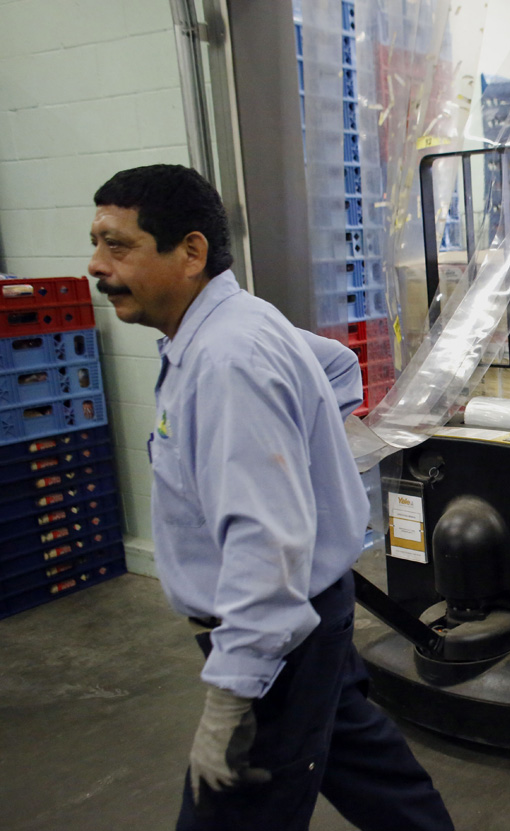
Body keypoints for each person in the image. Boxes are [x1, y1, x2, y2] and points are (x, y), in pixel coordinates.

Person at [89, 164, 455, 831]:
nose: (96, 264)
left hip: (276, 637)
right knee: (368, 767)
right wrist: (313, 466)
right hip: (309, 615)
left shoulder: (229, 359)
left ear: (191, 252)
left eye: (119, 246)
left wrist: (231, 701)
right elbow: (337, 367)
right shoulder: (228, 327)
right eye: (98, 243)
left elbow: (265, 551)